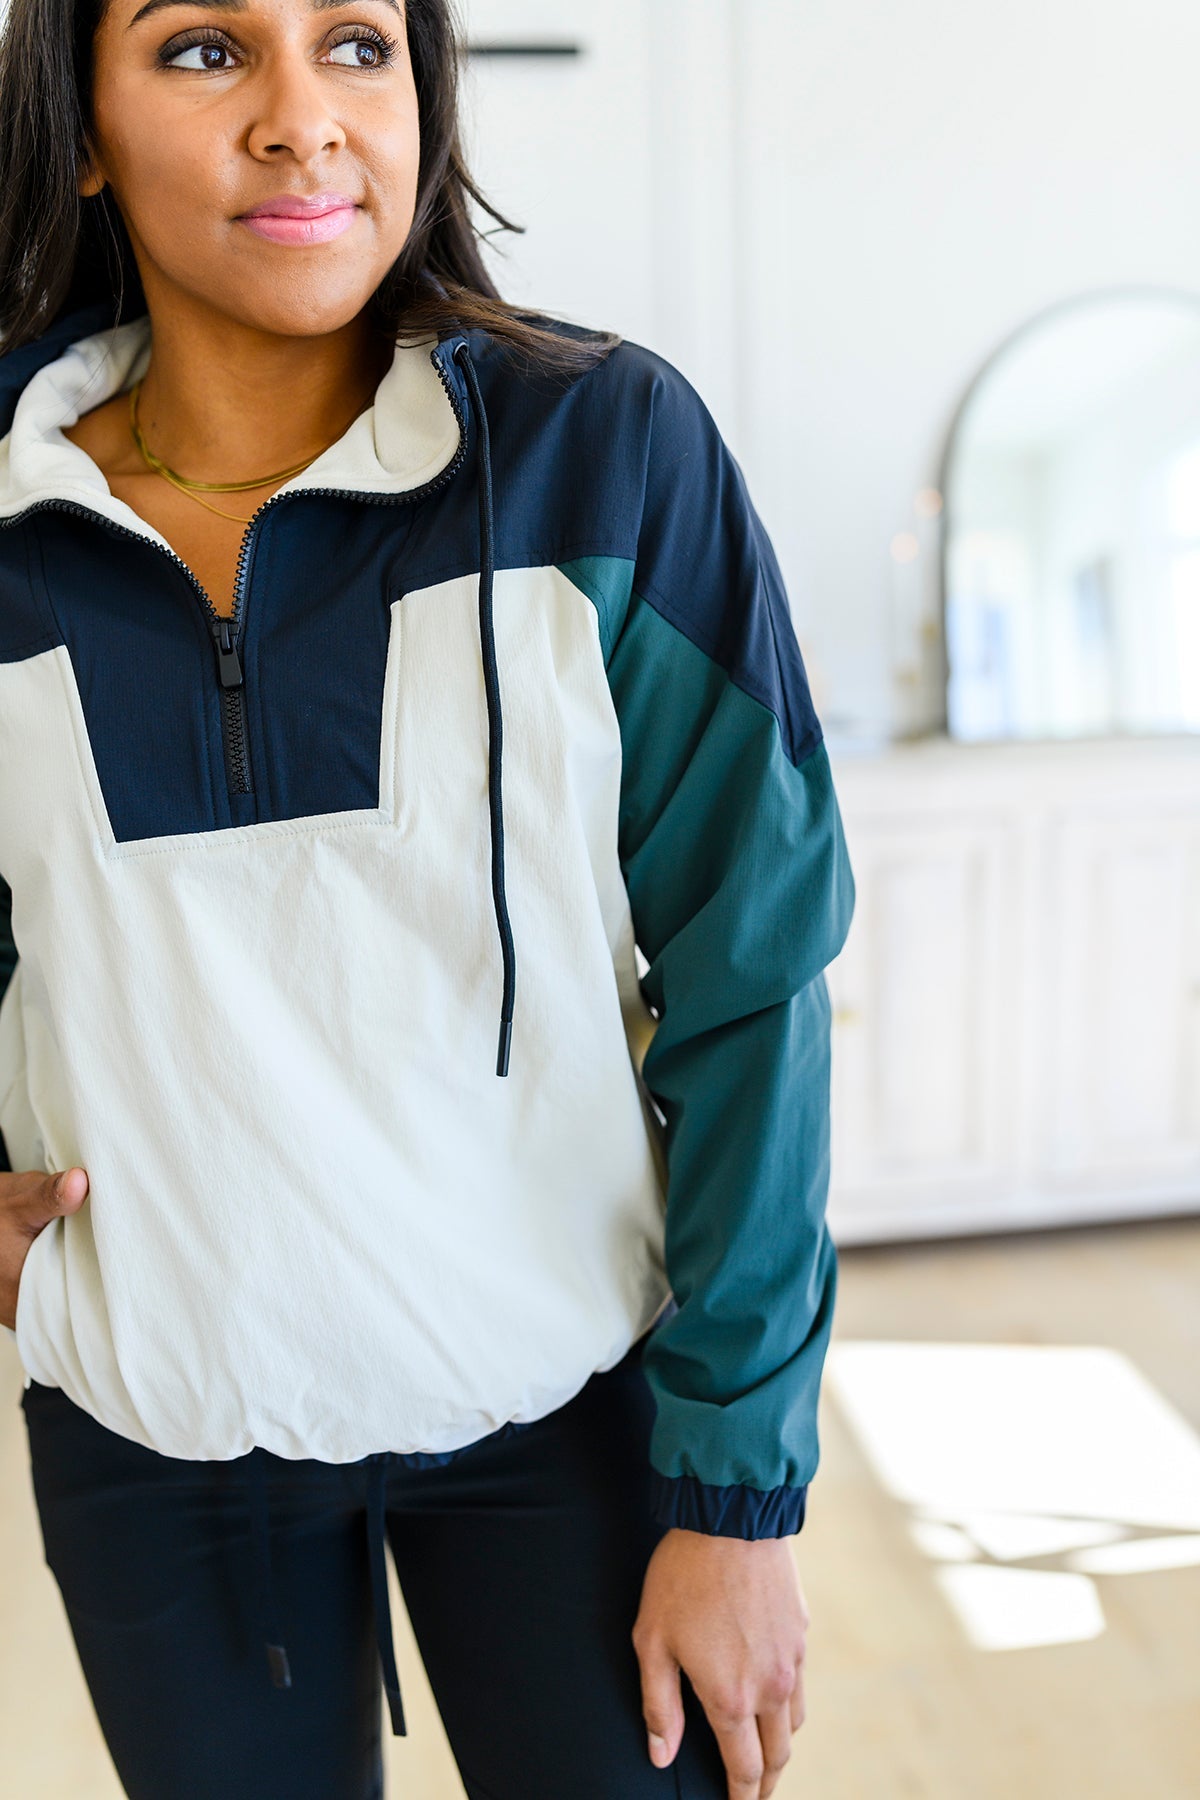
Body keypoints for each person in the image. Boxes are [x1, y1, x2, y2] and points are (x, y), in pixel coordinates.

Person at [0, 0, 856, 1794]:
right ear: (76, 124)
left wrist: (738, 1498)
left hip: (575, 1427)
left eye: (358, 44)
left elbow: (754, 976)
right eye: (204, 50)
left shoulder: (604, 450)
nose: (302, 119)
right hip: (161, 1454)